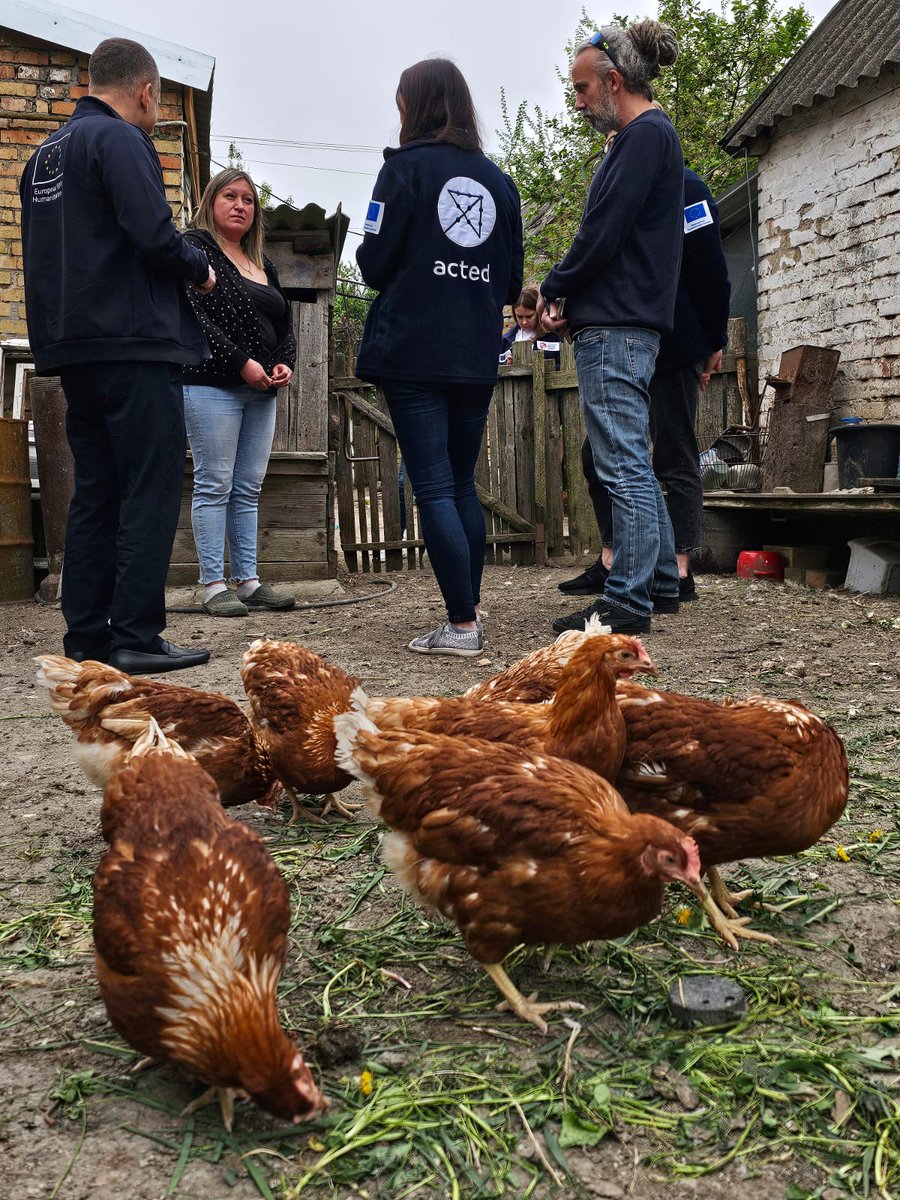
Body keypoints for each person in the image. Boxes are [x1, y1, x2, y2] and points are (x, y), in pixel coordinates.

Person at [19, 38, 216, 674]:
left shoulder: (40, 157)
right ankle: (135, 635)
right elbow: (154, 235)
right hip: (134, 343)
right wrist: (201, 269)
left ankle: (85, 638)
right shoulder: (120, 141)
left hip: (73, 347)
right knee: (149, 488)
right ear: (145, 90)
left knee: (96, 492)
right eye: (157, 102)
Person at [355, 57, 523, 657]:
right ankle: (469, 609)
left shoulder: (401, 172)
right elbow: (510, 284)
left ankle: (460, 626)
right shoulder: (501, 184)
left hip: (414, 351)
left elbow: (372, 264)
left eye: (401, 102)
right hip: (475, 353)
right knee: (460, 484)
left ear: (415, 106)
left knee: (432, 485)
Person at [539, 22, 683, 635]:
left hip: (618, 328)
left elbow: (603, 232)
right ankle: (661, 581)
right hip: (625, 320)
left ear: (613, 81)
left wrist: (556, 287)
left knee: (620, 462)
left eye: (580, 89)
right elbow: (619, 242)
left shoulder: (642, 136)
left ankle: (627, 599)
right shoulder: (647, 137)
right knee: (633, 462)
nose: (576, 103)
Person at [557, 156, 731, 626]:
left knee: (673, 456)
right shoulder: (624, 190)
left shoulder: (687, 188)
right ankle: (619, 556)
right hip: (628, 334)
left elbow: (712, 267)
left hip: (675, 344)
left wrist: (716, 338)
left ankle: (676, 568)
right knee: (599, 456)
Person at [182, 169, 297, 616]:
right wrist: (243, 364)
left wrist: (281, 361)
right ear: (211, 201)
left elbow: (283, 323)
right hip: (213, 383)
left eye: (248, 200)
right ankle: (213, 584)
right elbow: (193, 315)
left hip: (262, 389)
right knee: (214, 484)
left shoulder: (262, 263)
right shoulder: (195, 250)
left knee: (248, 487)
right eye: (229, 196)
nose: (239, 205)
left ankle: (248, 581)